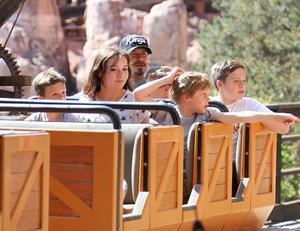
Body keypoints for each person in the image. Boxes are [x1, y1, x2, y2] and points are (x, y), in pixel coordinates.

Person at [163, 71, 298, 140]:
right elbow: (140, 96)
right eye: (203, 94)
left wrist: (275, 116)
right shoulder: (166, 113)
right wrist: (166, 80)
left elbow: (239, 116)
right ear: (186, 97)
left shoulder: (207, 113)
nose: (208, 98)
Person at [78, 47, 149, 124]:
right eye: (114, 69)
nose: (120, 75)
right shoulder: (85, 99)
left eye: (124, 69)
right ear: (99, 72)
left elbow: (147, 134)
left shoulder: (136, 104)